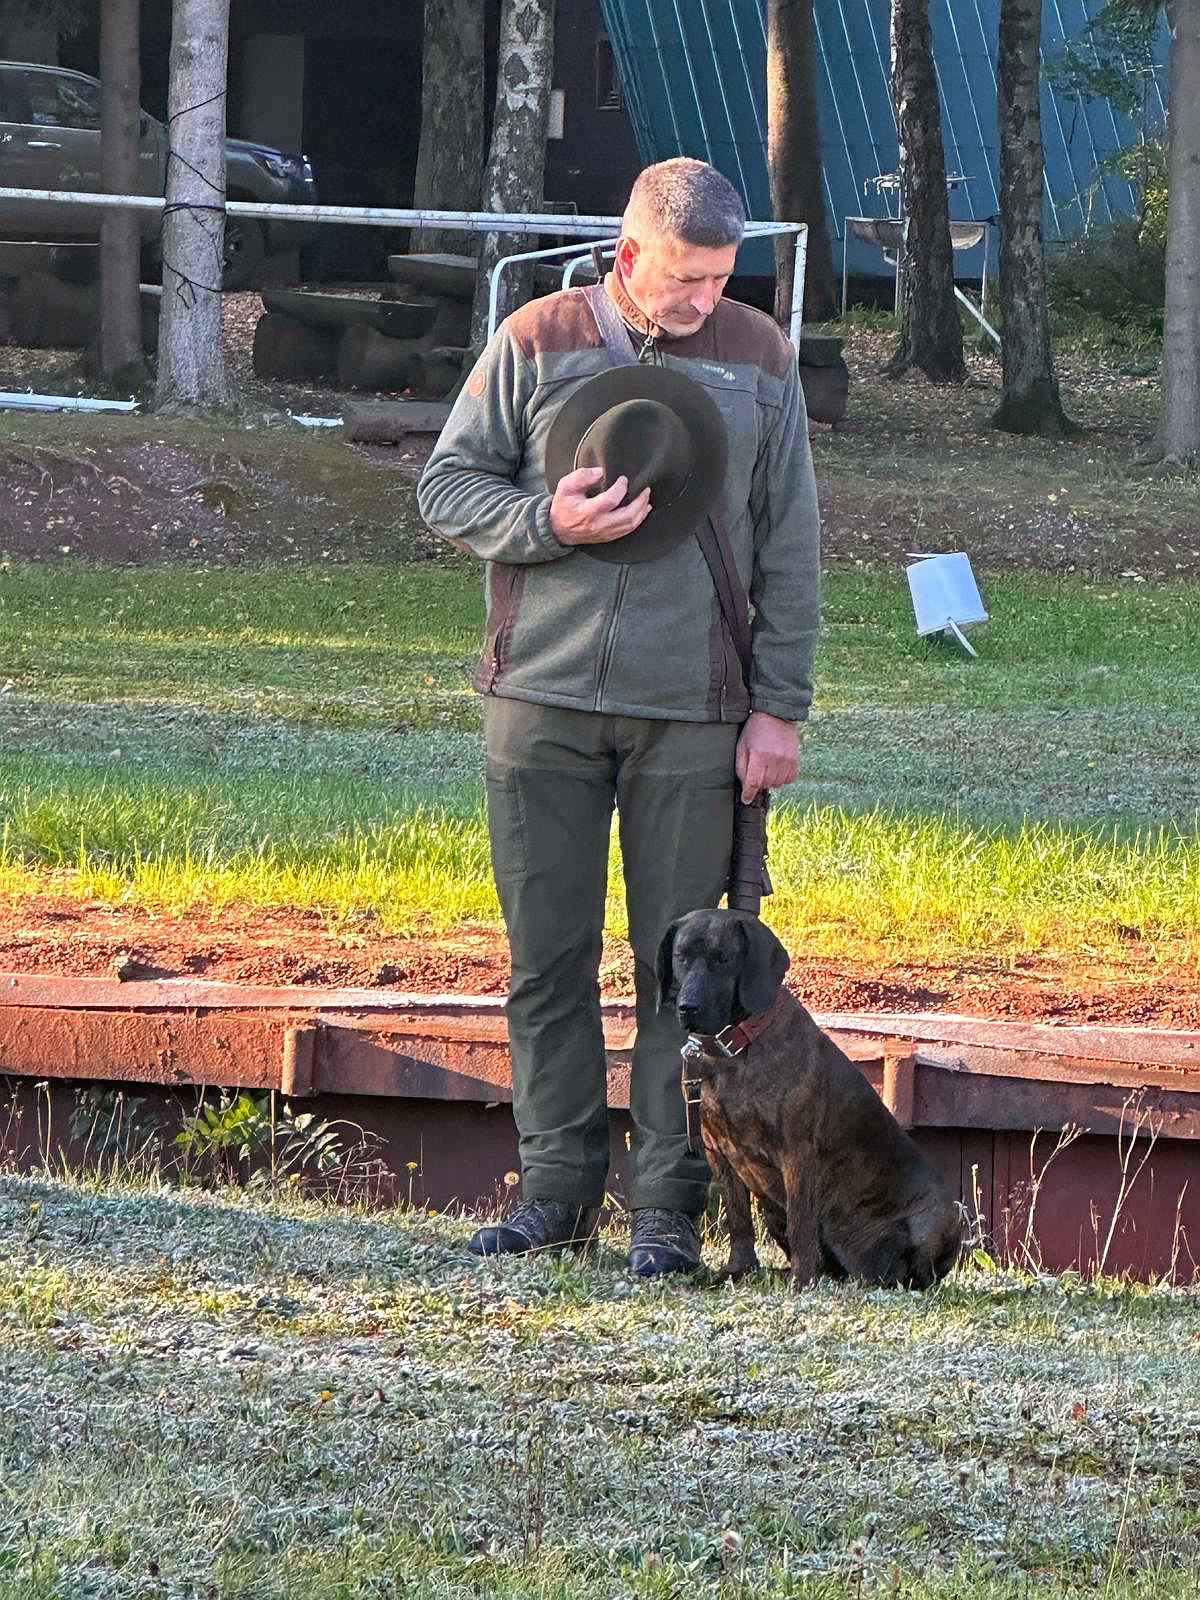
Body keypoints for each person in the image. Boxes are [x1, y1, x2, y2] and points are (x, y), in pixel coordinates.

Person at [417, 157, 820, 1277]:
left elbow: (791, 545)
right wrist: (546, 521)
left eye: (721, 278)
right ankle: (553, 1196)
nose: (703, 299)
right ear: (628, 251)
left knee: (680, 978)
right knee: (545, 961)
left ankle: (666, 1213)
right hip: (538, 702)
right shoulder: (536, 336)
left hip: (694, 713)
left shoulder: (759, 355)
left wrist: (778, 709)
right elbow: (446, 487)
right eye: (685, 277)